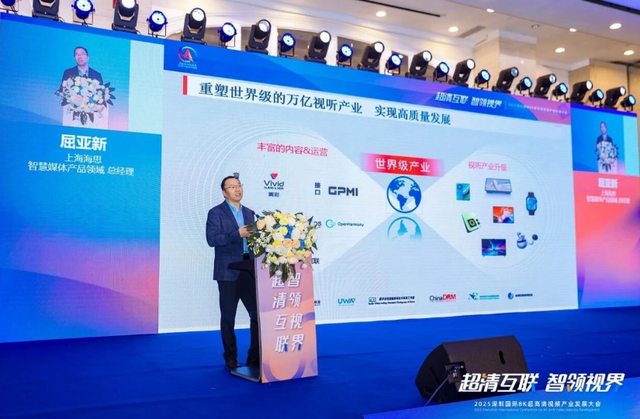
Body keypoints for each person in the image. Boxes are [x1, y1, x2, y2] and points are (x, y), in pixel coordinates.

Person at [205, 176, 259, 371]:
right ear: (224, 192)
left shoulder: (250, 213)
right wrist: (238, 234)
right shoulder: (216, 213)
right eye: (232, 187)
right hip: (228, 271)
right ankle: (230, 357)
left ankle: (255, 356)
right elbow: (212, 239)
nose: (237, 189)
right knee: (228, 317)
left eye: (239, 186)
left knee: (257, 314)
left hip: (249, 269)